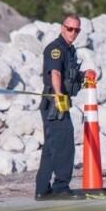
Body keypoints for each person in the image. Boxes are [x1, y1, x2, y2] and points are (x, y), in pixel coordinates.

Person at [35, 14, 85, 200]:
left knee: (51, 146)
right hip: (55, 103)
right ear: (62, 28)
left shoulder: (69, 50)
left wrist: (82, 75)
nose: (73, 33)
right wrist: (59, 97)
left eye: (76, 30)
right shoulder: (55, 49)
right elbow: (55, 72)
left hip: (57, 101)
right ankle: (61, 187)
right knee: (64, 145)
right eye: (70, 28)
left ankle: (42, 189)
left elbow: (67, 73)